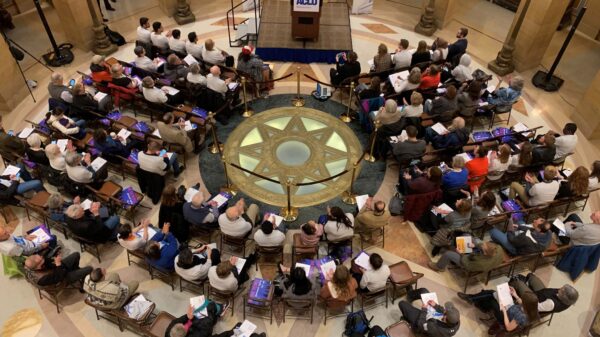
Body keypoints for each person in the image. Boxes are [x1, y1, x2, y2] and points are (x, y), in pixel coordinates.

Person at [457, 285, 535, 334]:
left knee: (492, 299)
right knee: (493, 292)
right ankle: (473, 299)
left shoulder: (521, 316)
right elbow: (521, 302)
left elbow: (508, 327)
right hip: (510, 308)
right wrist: (515, 295)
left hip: (505, 318)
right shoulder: (530, 307)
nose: (522, 299)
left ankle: (473, 299)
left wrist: (504, 311)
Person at [510, 273, 579, 314]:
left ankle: (510, 286)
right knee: (531, 276)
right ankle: (525, 284)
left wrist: (517, 297)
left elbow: (532, 307)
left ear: (563, 296)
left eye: (562, 289)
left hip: (534, 300)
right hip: (543, 293)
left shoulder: (551, 303)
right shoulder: (569, 299)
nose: (560, 288)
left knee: (518, 283)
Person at [428, 241, 504, 273]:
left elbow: (467, 264)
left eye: (484, 246)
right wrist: (475, 245)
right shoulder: (497, 248)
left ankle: (439, 267)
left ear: (485, 252)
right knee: (473, 239)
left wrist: (461, 254)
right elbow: (484, 245)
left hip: (469, 263)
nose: (483, 244)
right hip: (476, 257)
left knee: (448, 254)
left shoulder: (481, 263)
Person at [25, 252, 92, 287]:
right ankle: (82, 281)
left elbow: (47, 261)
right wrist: (58, 264)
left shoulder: (36, 264)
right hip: (62, 279)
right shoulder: (42, 279)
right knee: (89, 268)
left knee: (76, 254)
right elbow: (59, 278)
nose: (43, 257)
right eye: (41, 259)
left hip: (57, 269)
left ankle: (76, 271)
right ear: (38, 267)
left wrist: (55, 259)